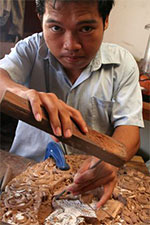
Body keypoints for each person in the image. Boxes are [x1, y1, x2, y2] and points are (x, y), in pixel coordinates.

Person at [0, 0, 144, 208]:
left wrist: (110, 162)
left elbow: (129, 129)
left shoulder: (123, 65)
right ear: (41, 20)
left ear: (105, 21)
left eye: (86, 28)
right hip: (25, 173)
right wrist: (23, 93)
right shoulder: (31, 49)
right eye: (56, 28)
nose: (71, 45)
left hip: (85, 181)